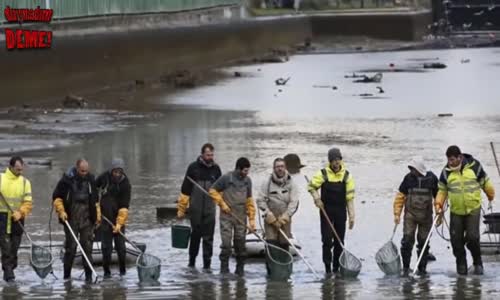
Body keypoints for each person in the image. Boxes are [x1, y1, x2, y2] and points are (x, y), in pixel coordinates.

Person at [435, 145, 495, 275]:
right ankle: (461, 268)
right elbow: (442, 190)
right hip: (456, 211)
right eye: (448, 160)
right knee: (456, 240)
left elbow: (485, 181)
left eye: (452, 160)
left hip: (473, 209)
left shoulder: (474, 166)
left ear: (460, 157)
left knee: (473, 237)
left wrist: (490, 193)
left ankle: (477, 263)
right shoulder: (446, 172)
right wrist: (438, 204)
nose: (450, 163)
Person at [307, 147, 355, 274]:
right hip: (326, 211)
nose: (336, 163)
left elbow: (350, 198)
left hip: (340, 211)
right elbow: (311, 186)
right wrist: (317, 199)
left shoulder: (347, 176)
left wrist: (352, 216)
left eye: (338, 160)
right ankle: (327, 268)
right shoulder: (323, 174)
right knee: (327, 240)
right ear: (330, 161)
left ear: (341, 160)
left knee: (340, 240)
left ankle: (336, 268)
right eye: (333, 160)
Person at [53, 159, 100, 282]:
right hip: (71, 219)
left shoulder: (91, 180)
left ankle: (89, 277)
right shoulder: (66, 181)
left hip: (87, 220)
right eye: (82, 171)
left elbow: (95, 201)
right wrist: (61, 211)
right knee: (71, 248)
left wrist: (97, 217)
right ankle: (66, 277)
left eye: (86, 171)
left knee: (87, 248)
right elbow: (57, 198)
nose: (84, 173)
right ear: (77, 168)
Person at [176, 143, 222, 269]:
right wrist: (181, 209)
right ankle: (192, 263)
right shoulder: (193, 168)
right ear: (202, 154)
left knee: (208, 238)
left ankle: (207, 265)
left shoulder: (216, 169)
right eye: (208, 155)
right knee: (195, 236)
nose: (210, 157)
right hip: (195, 209)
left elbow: (220, 191)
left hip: (210, 209)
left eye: (212, 155)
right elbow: (185, 190)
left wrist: (223, 205)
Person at [208, 157, 256, 276]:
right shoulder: (226, 178)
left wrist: (252, 220)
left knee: (240, 244)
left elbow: (249, 201)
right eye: (245, 170)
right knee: (226, 245)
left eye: (248, 171)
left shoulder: (248, 181)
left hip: (241, 216)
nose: (247, 173)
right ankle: (224, 271)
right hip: (227, 216)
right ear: (238, 169)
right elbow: (212, 191)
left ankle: (240, 271)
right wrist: (222, 204)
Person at [393, 157, 438, 276]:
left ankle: (422, 269)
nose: (412, 171)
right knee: (407, 241)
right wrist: (397, 213)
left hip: (426, 217)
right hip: (410, 216)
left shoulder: (432, 178)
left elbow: (439, 196)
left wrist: (440, 212)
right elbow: (400, 197)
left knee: (423, 243)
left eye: (413, 168)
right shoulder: (408, 179)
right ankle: (406, 268)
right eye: (411, 168)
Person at [96, 158, 131, 278]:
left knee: (121, 247)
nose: (117, 174)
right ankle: (106, 272)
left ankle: (122, 272)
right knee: (106, 248)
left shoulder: (126, 184)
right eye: (115, 171)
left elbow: (125, 206)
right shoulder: (104, 178)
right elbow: (94, 189)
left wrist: (119, 224)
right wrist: (97, 208)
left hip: (118, 219)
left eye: (119, 172)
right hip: (105, 218)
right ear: (111, 171)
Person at [0, 156, 33, 282]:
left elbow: (28, 202)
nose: (20, 172)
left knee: (14, 249)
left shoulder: (25, 182)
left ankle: (10, 270)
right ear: (11, 167)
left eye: (21, 169)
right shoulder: (1, 178)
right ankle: (9, 278)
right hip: (2, 218)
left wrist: (21, 212)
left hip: (17, 220)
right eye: (17, 169)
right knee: (6, 249)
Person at [257, 158, 299, 252]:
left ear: (285, 168)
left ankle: (284, 264)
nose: (280, 169)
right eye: (277, 167)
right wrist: (268, 213)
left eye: (282, 166)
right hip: (270, 220)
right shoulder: (266, 182)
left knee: (284, 244)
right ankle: (270, 264)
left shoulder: (291, 183)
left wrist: (285, 217)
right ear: (274, 168)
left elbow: (294, 202)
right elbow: (260, 200)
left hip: (285, 219)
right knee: (271, 244)